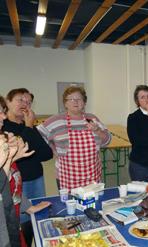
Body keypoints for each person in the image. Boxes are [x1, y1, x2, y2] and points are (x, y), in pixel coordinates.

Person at [37, 86, 111, 190]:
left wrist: (97, 130)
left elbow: (107, 140)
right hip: (67, 178)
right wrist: (52, 149)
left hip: (92, 176)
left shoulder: (92, 119)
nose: (75, 102)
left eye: (79, 99)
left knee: (93, 204)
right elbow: (38, 136)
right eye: (71, 99)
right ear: (65, 103)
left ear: (84, 102)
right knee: (70, 206)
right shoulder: (55, 121)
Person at [1, 96, 51, 247]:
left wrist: (29, 207)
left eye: (28, 103)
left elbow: (46, 154)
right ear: (9, 102)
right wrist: (9, 160)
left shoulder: (4, 137)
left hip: (11, 224)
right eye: (20, 100)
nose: (25, 105)